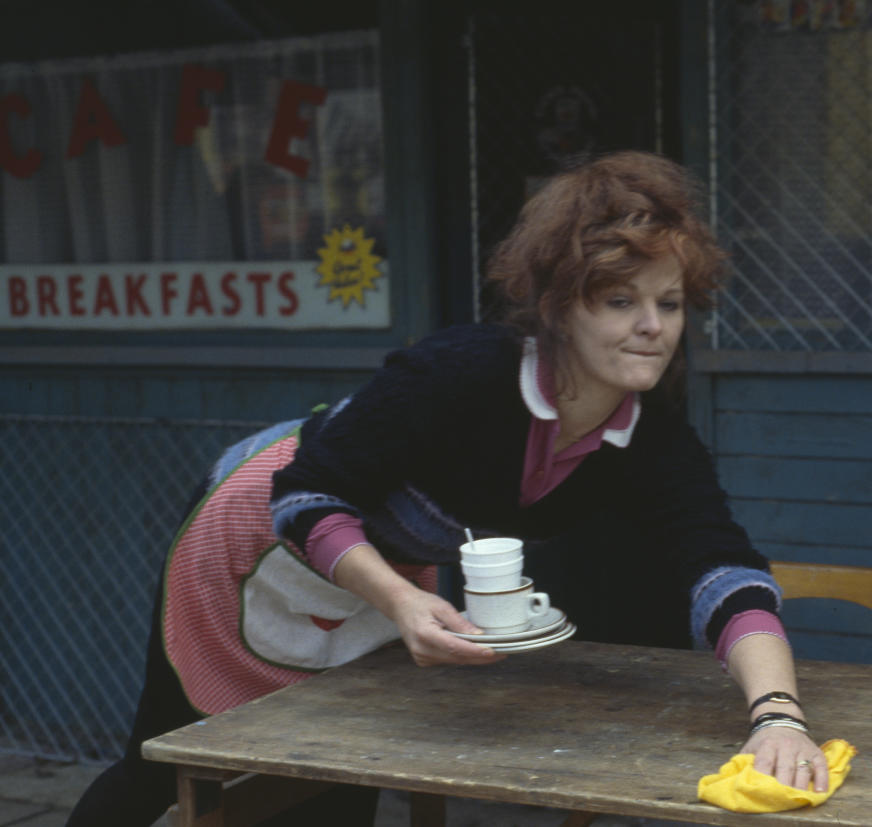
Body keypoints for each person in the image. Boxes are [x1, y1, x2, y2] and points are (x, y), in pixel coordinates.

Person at [67, 150, 828, 826]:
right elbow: (306, 495)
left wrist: (779, 716)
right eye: (620, 300)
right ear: (562, 306)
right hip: (260, 535)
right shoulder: (462, 372)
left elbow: (723, 567)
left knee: (342, 773)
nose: (652, 326)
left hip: (384, 572)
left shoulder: (651, 439)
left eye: (668, 303)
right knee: (162, 761)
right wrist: (400, 602)